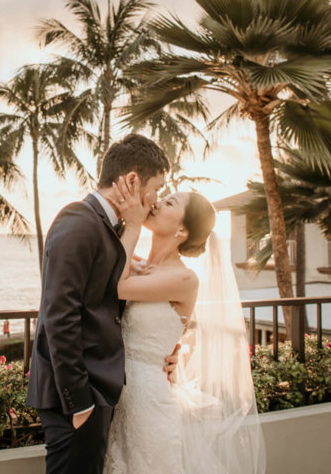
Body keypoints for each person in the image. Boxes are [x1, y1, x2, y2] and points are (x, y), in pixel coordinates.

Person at [26, 134, 177, 474]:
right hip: (78, 396)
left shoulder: (113, 229)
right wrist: (79, 401)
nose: (155, 201)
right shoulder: (78, 222)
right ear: (132, 180)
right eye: (156, 187)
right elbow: (59, 317)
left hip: (99, 390)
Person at [103, 189, 266, 473]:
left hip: (150, 402)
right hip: (118, 396)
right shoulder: (137, 263)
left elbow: (118, 287)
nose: (157, 203)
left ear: (182, 229)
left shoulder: (184, 278)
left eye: (170, 203)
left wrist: (132, 224)